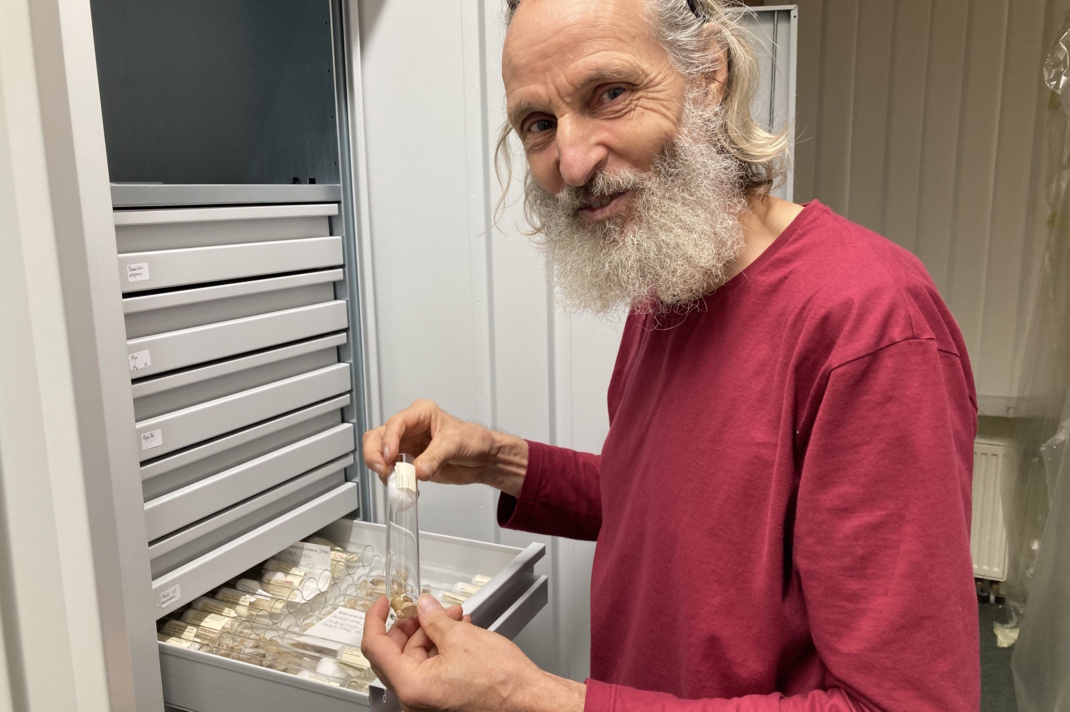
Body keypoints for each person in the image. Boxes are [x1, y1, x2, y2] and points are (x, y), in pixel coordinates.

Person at [360, 0, 981, 709]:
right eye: (539, 123)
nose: (572, 162)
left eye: (610, 94)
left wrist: (529, 696)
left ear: (708, 73)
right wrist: (495, 458)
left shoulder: (870, 324)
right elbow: (670, 511)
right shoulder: (668, 291)